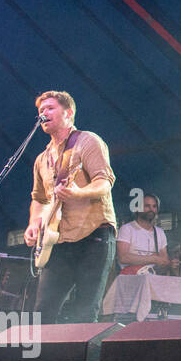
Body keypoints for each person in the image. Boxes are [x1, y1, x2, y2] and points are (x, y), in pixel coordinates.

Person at [24, 91, 118, 324]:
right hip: (58, 241)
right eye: (40, 111)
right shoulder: (41, 159)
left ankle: (82, 360)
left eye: (49, 108)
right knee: (42, 312)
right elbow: (39, 199)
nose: (43, 114)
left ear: (68, 113)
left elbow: (104, 182)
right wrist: (34, 223)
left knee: (85, 311)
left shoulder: (87, 141)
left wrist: (78, 193)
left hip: (93, 234)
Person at [116, 193, 175, 274]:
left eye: (154, 206)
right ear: (137, 208)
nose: (151, 209)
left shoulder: (160, 232)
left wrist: (170, 263)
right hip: (130, 278)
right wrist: (154, 259)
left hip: (153, 278)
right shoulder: (127, 229)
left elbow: (164, 259)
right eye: (147, 206)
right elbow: (123, 257)